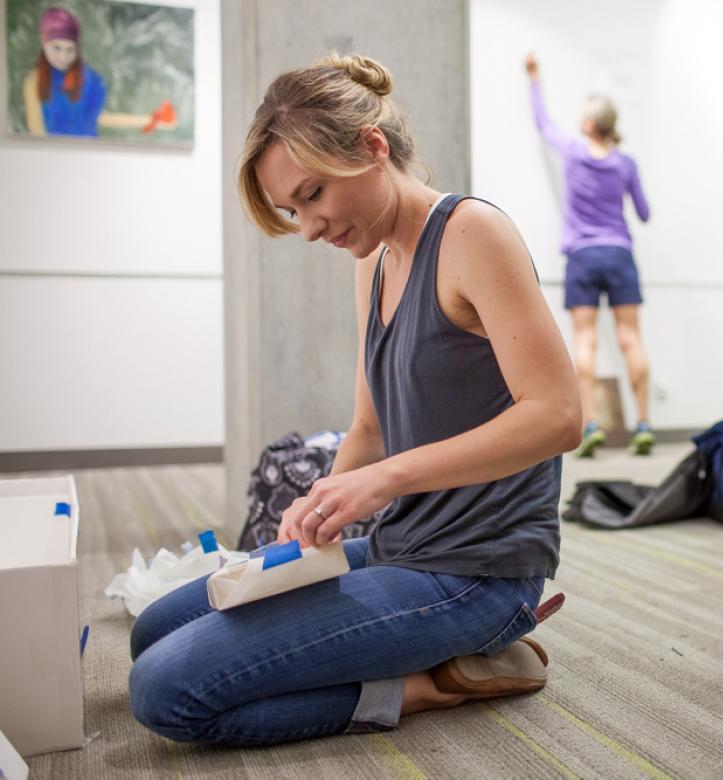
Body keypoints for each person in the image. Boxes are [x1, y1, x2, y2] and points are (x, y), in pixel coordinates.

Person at [127, 53, 582, 744]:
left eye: (311, 195)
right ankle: (402, 654)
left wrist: (383, 481)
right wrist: (322, 505)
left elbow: (557, 417)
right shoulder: (371, 258)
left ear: (372, 148)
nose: (307, 228)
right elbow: (368, 425)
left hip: (477, 575)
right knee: (152, 632)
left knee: (163, 691)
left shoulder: (472, 234)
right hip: (401, 543)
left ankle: (419, 687)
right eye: (291, 209)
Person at [524, 53, 655, 457]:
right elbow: (645, 214)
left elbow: (543, 124)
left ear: (587, 125)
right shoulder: (625, 163)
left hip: (582, 256)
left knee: (585, 340)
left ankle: (591, 423)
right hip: (618, 254)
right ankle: (644, 423)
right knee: (631, 339)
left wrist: (534, 79)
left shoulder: (574, 151)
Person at [22, 6, 173, 138]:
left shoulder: (89, 79)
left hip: (89, 157)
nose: (63, 56)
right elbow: (36, 131)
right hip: (49, 158)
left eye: (70, 50)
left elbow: (99, 117)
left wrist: (151, 119)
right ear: (43, 43)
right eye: (56, 48)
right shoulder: (33, 80)